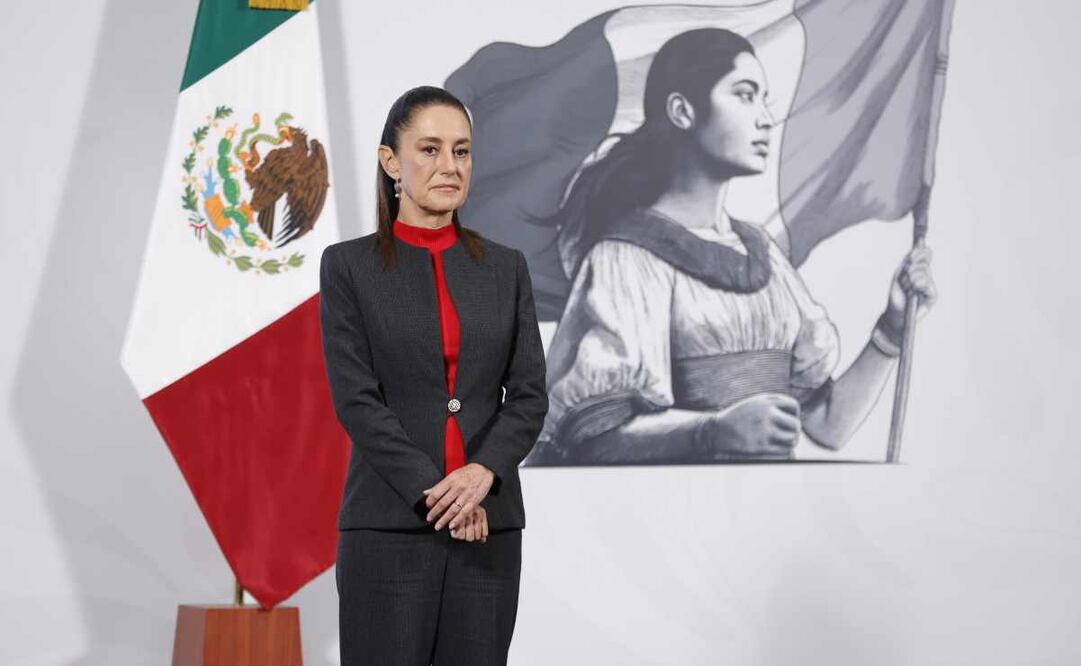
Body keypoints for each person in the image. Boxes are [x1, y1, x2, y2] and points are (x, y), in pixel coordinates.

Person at [523, 28, 937, 465]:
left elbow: (827, 425)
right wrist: (712, 431)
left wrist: (891, 330)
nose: (764, 118)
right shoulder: (626, 258)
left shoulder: (763, 255)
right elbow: (593, 438)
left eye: (763, 99)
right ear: (682, 111)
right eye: (745, 95)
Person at [319, 85, 548, 665]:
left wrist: (481, 475)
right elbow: (358, 402)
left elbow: (527, 396)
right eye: (430, 149)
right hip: (387, 530)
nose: (450, 166)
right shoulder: (349, 267)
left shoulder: (506, 268)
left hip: (488, 534)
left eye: (462, 151)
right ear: (391, 161)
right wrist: (440, 498)